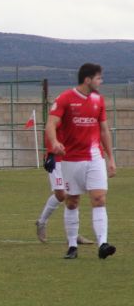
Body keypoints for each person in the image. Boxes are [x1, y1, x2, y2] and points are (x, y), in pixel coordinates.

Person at [45, 63, 116, 260]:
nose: (101, 82)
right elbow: (51, 123)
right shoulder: (65, 98)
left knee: (99, 198)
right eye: (98, 78)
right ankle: (72, 245)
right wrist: (55, 142)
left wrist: (111, 158)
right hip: (71, 159)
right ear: (87, 79)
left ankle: (103, 244)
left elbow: (103, 129)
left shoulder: (98, 100)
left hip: (95, 157)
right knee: (72, 202)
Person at [35, 136, 92, 245]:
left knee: (73, 193)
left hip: (71, 159)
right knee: (61, 195)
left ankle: (73, 235)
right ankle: (42, 222)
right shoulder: (56, 119)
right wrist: (51, 154)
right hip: (56, 160)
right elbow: (50, 132)